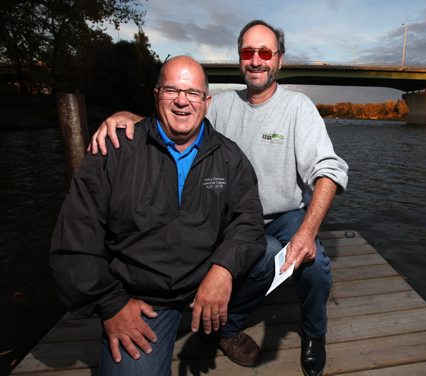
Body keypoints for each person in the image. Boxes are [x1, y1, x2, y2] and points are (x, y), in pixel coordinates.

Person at [90, 20, 348, 376]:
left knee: (314, 263)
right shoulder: (222, 105)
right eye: (248, 52)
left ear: (279, 60)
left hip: (283, 214)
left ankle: (313, 334)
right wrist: (127, 118)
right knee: (239, 256)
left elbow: (328, 171)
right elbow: (178, 117)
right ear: (239, 59)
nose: (256, 60)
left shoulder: (298, 107)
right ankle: (222, 324)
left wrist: (305, 232)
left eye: (265, 52)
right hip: (234, 216)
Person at [50, 55, 268, 376]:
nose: (182, 101)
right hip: (143, 297)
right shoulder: (115, 150)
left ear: (207, 101)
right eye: (171, 90)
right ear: (156, 95)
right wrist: (112, 305)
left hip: (203, 278)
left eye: (193, 93)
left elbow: (248, 221)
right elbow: (75, 238)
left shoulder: (229, 157)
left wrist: (222, 271)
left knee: (271, 257)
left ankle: (222, 326)